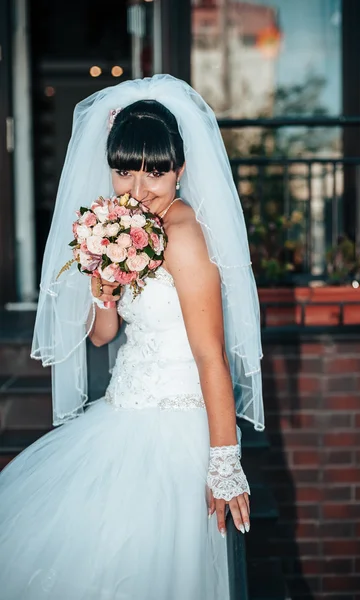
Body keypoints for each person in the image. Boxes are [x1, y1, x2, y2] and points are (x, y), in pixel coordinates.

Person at [0, 75, 264, 599]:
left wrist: (224, 462)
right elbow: (103, 337)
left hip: (176, 429)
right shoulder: (123, 225)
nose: (138, 190)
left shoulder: (185, 237)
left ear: (180, 170)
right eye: (124, 172)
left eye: (155, 174)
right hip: (123, 411)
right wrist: (101, 284)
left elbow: (211, 357)